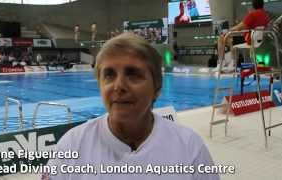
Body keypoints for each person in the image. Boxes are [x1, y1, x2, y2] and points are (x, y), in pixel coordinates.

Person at [43, 32, 220, 180]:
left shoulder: (189, 147)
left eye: (133, 74)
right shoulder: (72, 145)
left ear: (157, 87)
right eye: (109, 75)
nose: (118, 86)